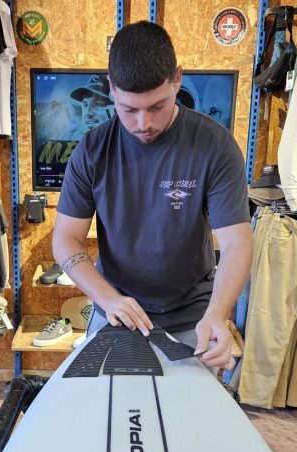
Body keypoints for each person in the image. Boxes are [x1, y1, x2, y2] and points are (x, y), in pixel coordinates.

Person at [52, 21, 252, 371]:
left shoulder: (215, 146)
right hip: (115, 312)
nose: (143, 123)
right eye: (129, 109)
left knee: (188, 406)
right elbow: (66, 240)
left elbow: (236, 243)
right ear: (112, 88)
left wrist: (218, 314)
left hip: (193, 317)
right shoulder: (92, 149)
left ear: (177, 79)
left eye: (157, 107)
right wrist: (107, 298)